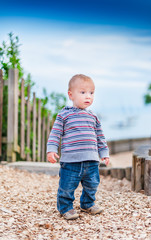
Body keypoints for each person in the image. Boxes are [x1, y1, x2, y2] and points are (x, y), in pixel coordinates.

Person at [47, 74, 109, 220]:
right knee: (67, 187)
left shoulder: (93, 117)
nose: (88, 96)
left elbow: (100, 137)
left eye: (91, 93)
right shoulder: (64, 115)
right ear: (71, 95)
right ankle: (66, 208)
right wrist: (51, 150)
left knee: (92, 184)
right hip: (71, 161)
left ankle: (87, 203)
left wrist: (104, 153)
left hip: (92, 160)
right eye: (83, 92)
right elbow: (55, 134)